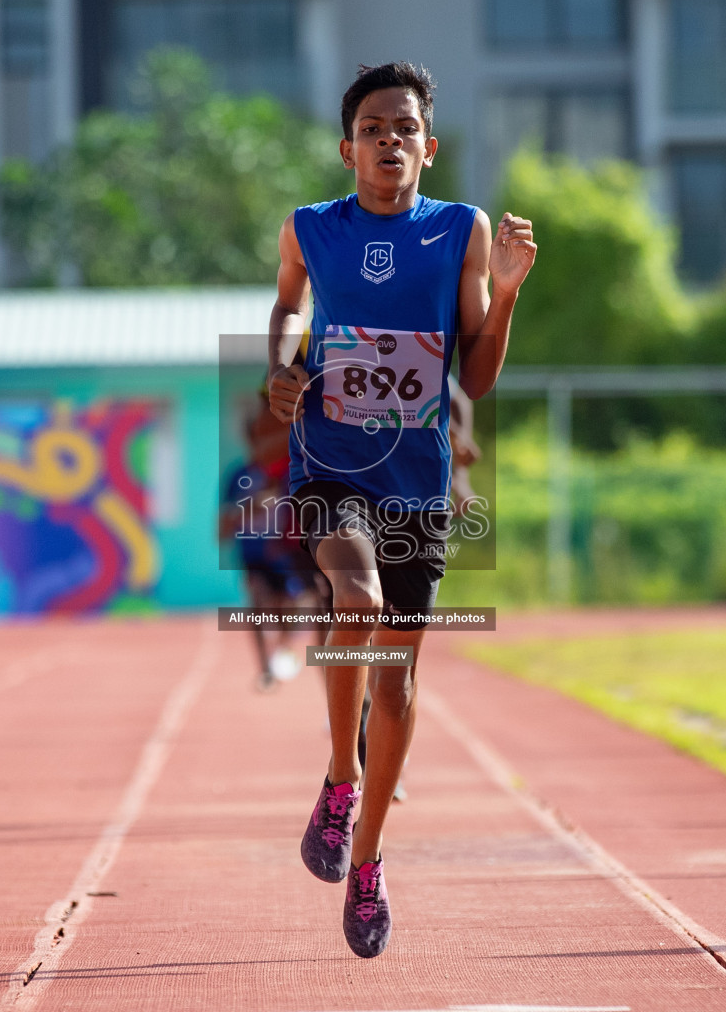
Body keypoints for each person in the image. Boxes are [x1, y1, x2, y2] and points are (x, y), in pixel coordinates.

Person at [266, 61, 535, 958]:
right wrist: (279, 365)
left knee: (399, 679)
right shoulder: (311, 229)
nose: (392, 140)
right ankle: (340, 776)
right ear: (349, 148)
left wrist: (508, 291)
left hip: (418, 480)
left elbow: (477, 373)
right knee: (362, 607)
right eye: (375, 127)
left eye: (407, 127)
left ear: (427, 145)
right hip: (333, 466)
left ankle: (370, 859)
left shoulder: (462, 229)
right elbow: (284, 310)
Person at [219, 391, 328, 690]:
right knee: (257, 599)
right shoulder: (237, 475)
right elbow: (223, 521)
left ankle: (282, 646)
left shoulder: (287, 466)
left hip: (284, 549)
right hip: (254, 552)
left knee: (293, 606)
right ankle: (265, 668)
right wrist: (246, 511)